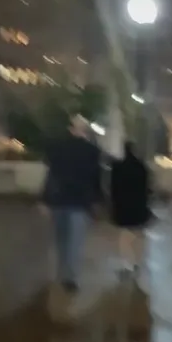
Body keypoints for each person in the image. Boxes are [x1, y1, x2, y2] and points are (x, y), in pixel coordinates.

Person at [39, 113, 104, 294]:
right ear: (86, 131)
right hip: (80, 203)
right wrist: (98, 201)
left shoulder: (58, 148)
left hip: (59, 201)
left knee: (61, 240)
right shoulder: (93, 151)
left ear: (70, 129)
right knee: (75, 241)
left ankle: (62, 273)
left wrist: (45, 200)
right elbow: (96, 179)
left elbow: (51, 176)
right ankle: (70, 278)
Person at [110, 141, 152, 279]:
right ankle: (137, 262)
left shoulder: (117, 166)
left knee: (124, 238)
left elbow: (114, 189)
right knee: (137, 236)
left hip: (123, 208)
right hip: (139, 207)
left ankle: (128, 265)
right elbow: (147, 188)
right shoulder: (141, 166)